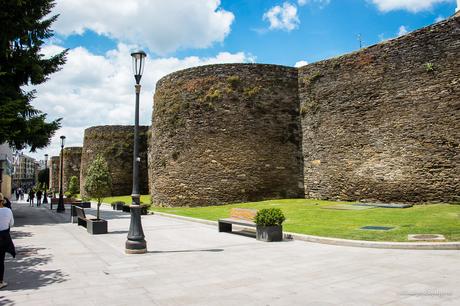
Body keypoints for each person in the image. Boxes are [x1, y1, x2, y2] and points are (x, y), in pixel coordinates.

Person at [0, 193, 15, 289]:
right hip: (3, 237)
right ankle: (0, 281)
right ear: (2, 200)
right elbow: (12, 223)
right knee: (1, 260)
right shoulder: (8, 211)